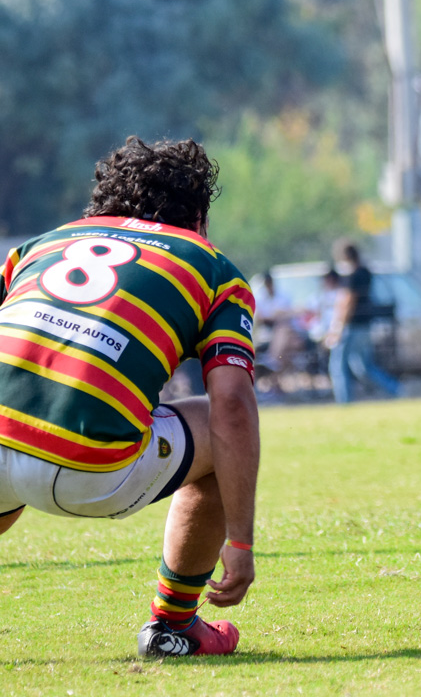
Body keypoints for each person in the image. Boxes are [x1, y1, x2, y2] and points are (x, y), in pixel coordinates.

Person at [0, 137, 259, 656]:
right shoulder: (212, 266)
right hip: (92, 468)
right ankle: (172, 626)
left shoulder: (37, 246)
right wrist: (241, 542)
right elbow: (232, 403)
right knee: (214, 423)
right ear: (199, 216)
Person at [324, 241, 400, 404]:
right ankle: (395, 389)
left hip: (351, 326)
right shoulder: (366, 272)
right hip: (366, 325)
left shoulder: (352, 276)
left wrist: (337, 328)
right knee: (363, 365)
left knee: (338, 364)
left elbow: (347, 302)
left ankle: (344, 402)